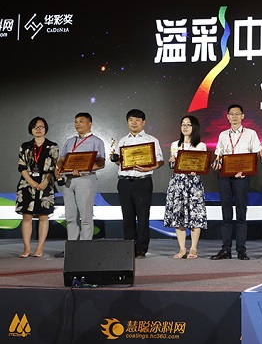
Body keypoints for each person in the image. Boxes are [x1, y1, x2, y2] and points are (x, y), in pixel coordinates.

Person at [211, 104, 261, 261]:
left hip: (242, 177)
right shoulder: (223, 135)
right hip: (225, 177)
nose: (234, 116)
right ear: (227, 117)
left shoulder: (251, 134)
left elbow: (255, 156)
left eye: (237, 114)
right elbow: (219, 155)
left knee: (241, 214)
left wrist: (245, 171)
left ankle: (241, 249)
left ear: (242, 116)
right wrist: (217, 163)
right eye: (231, 114)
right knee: (226, 214)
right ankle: (226, 249)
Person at [113, 109, 164, 259]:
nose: (134, 123)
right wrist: (115, 159)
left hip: (142, 182)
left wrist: (149, 168)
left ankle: (141, 248)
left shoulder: (151, 140)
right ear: (127, 122)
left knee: (142, 216)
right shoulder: (123, 141)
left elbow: (160, 161)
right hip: (124, 182)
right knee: (127, 217)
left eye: (137, 120)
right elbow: (120, 163)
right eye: (131, 120)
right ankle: (129, 248)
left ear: (143, 122)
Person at [54, 112, 106, 257]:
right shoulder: (70, 141)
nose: (78, 124)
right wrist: (58, 169)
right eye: (76, 121)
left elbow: (101, 163)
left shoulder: (96, 141)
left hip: (85, 179)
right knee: (70, 217)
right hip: (68, 180)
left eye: (81, 121)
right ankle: (72, 248)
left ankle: (84, 249)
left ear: (90, 124)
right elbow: (62, 160)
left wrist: (83, 169)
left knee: (85, 217)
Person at [164, 115, 207, 259]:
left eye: (188, 124)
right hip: (177, 182)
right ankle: (182, 249)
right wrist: (172, 161)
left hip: (193, 183)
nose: (185, 127)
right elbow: (173, 164)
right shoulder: (175, 145)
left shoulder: (200, 145)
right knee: (178, 216)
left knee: (195, 216)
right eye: (183, 124)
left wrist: (196, 169)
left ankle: (193, 249)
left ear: (195, 127)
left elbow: (202, 164)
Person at [16, 117, 59, 258]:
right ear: (31, 129)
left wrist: (45, 182)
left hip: (45, 184)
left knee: (43, 216)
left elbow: (53, 167)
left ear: (45, 128)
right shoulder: (25, 146)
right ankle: (27, 248)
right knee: (27, 216)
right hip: (27, 184)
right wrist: (31, 182)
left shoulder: (52, 146)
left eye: (41, 126)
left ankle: (39, 248)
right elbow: (21, 167)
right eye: (35, 127)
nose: (38, 129)